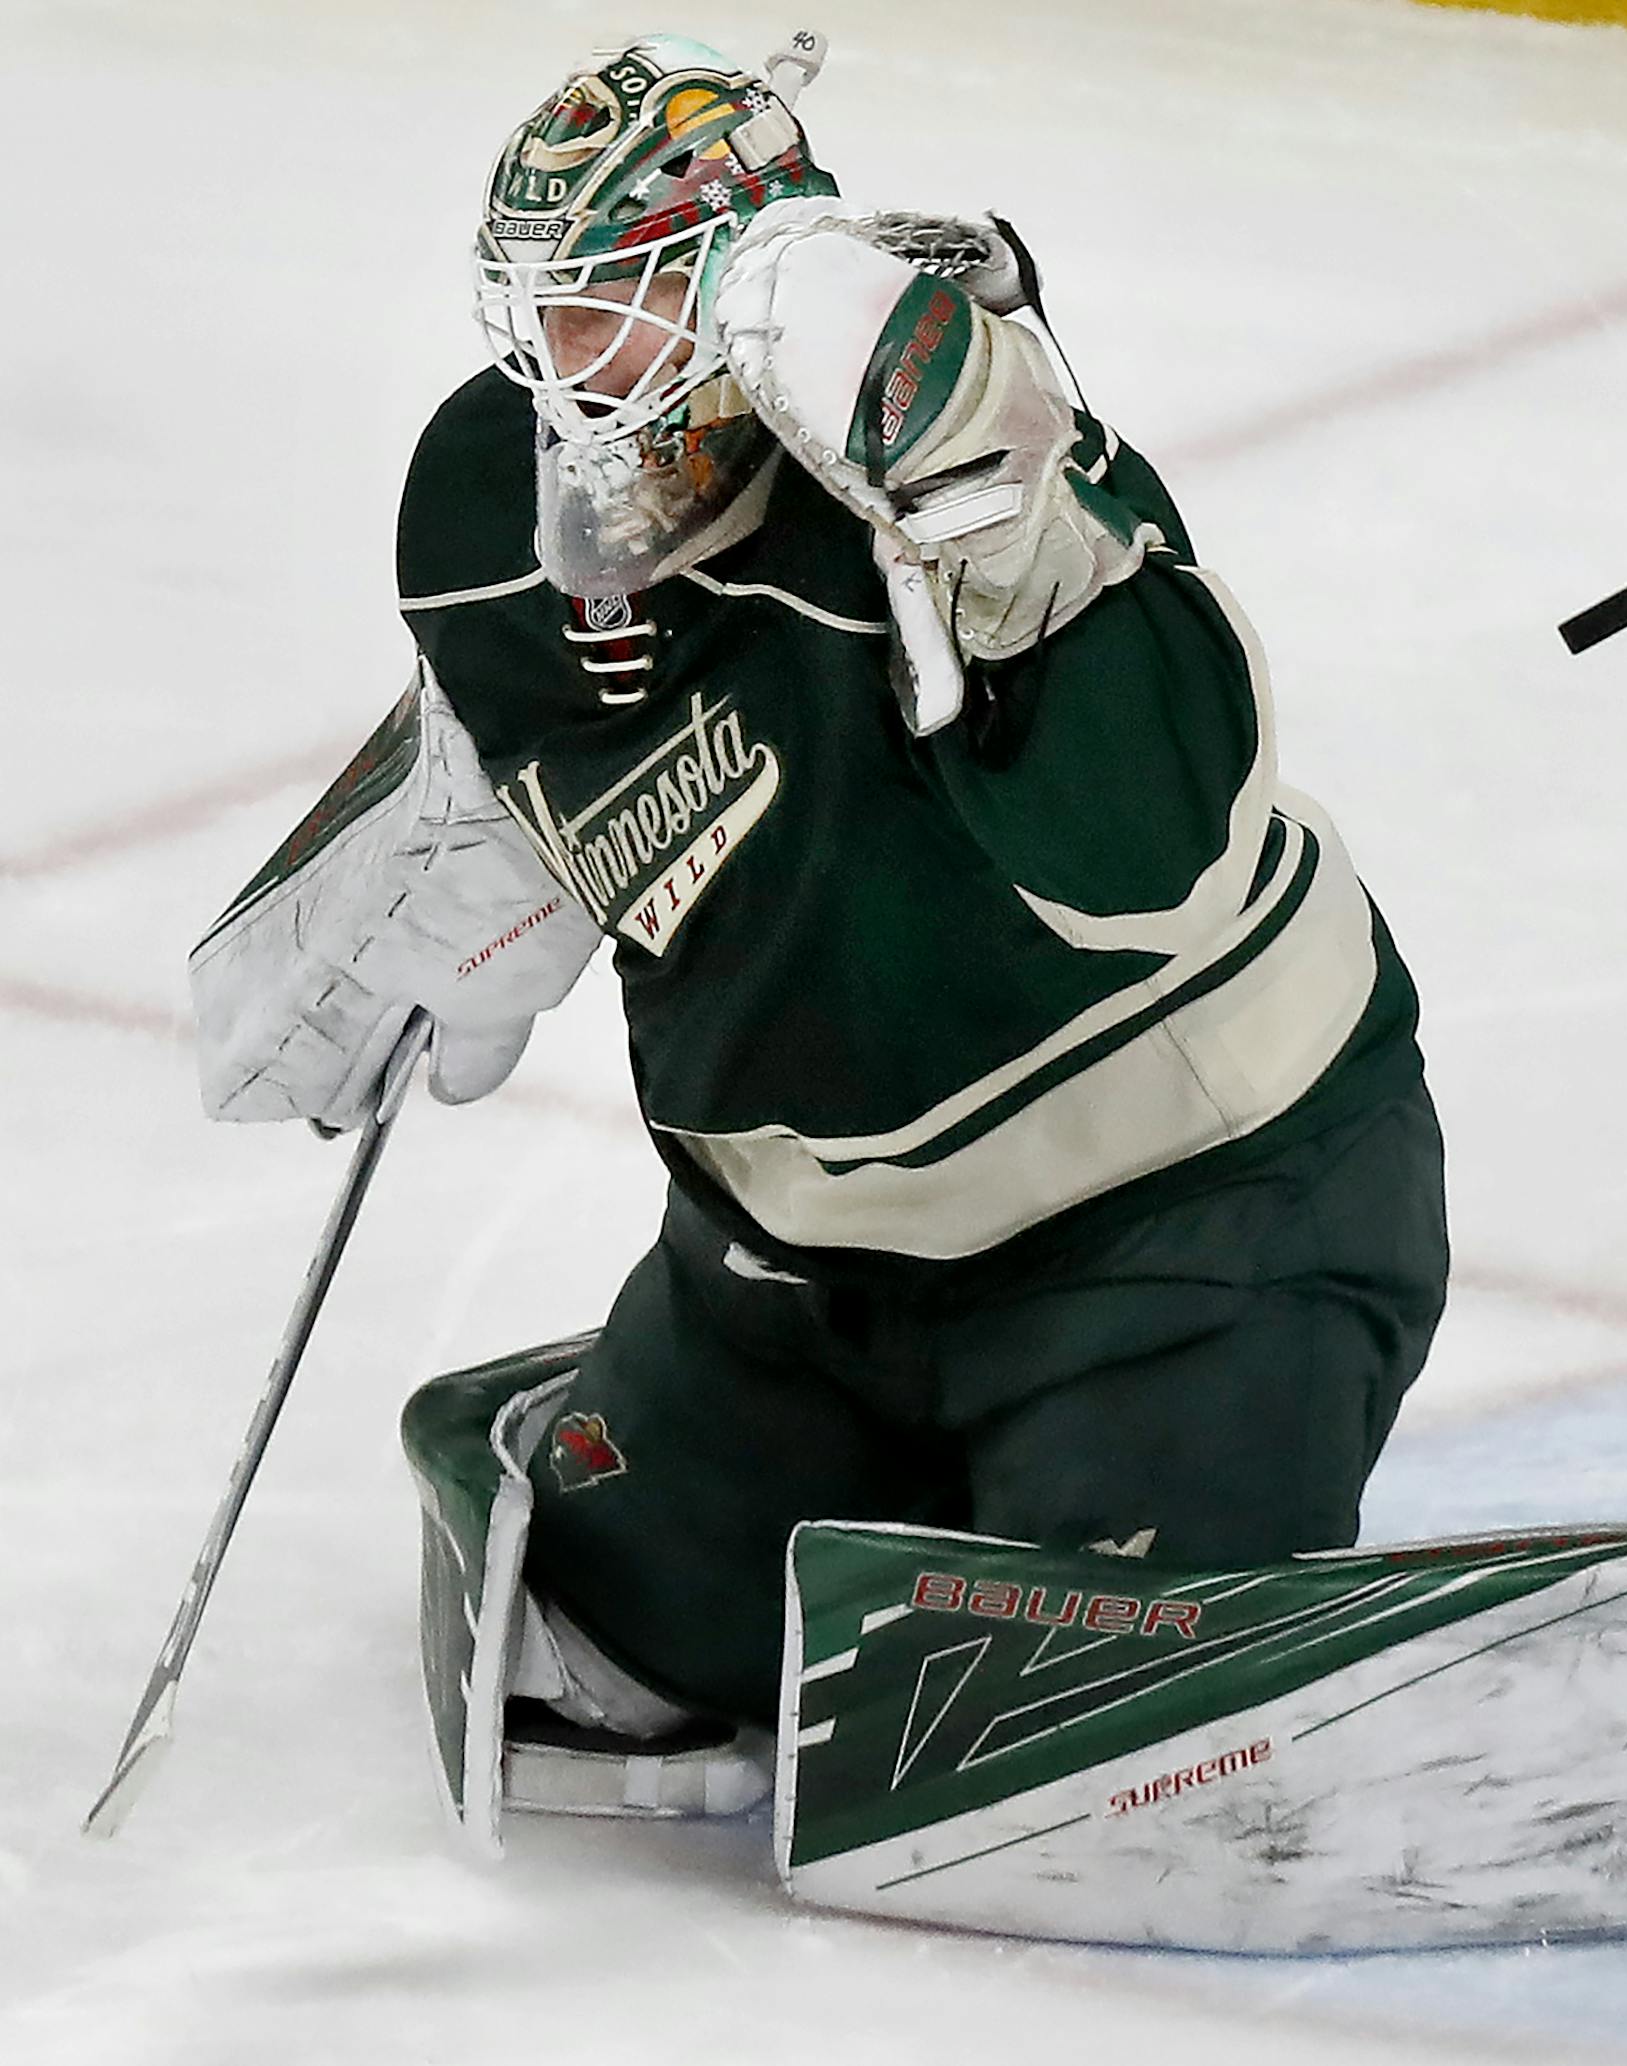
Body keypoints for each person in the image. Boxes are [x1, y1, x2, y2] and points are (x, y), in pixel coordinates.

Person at [190, 29, 1448, 1749]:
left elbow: (1152, 851)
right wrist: (464, 822)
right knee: (593, 1656)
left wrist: (990, 513)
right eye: (545, 311)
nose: (570, 369)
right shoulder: (485, 498)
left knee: (1112, 1718)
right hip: (792, 1282)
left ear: (745, 298)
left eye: (619, 304)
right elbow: (557, 722)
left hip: (1191, 1226)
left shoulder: (984, 469)